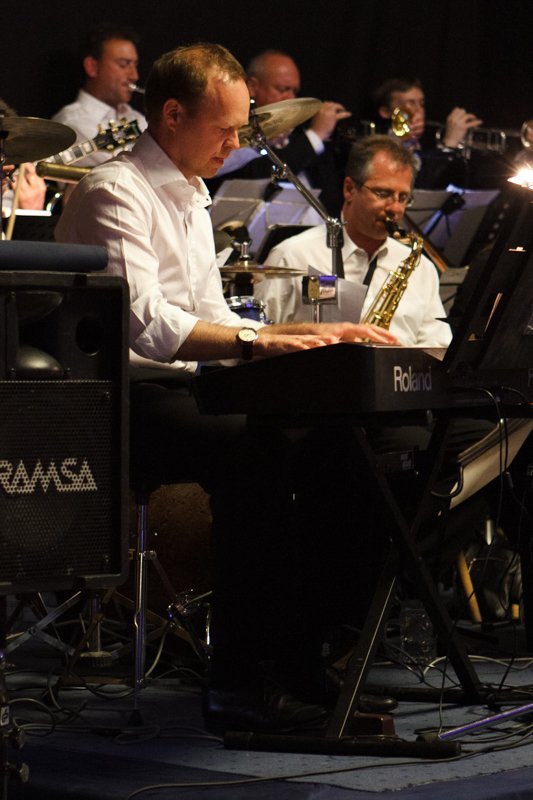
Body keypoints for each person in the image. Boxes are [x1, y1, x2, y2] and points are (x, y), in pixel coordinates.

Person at [55, 42, 398, 735]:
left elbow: (211, 314)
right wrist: (258, 342)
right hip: (114, 399)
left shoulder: (189, 193)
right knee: (255, 450)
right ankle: (240, 685)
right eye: (225, 128)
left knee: (339, 442)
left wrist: (309, 333)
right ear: (172, 115)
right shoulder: (114, 191)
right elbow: (148, 325)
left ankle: (304, 658)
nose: (236, 144)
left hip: (179, 389)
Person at [256, 134, 452, 349]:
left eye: (403, 197)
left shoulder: (421, 268)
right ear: (349, 189)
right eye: (383, 193)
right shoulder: (293, 255)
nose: (395, 208)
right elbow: (258, 339)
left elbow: (438, 346)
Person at [205, 49, 351, 217]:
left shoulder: (299, 134)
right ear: (252, 86)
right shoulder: (234, 130)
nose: (290, 98)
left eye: (294, 91)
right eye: (282, 89)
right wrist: (315, 136)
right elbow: (259, 175)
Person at [370, 76, 495, 190]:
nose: (419, 110)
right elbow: (422, 189)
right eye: (410, 103)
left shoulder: (427, 141)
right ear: (386, 112)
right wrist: (448, 145)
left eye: (421, 103)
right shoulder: (378, 149)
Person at [51, 22, 147, 168]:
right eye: (123, 64)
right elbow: (125, 170)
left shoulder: (137, 118)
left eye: (135, 65)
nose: (134, 75)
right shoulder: (72, 122)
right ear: (92, 67)